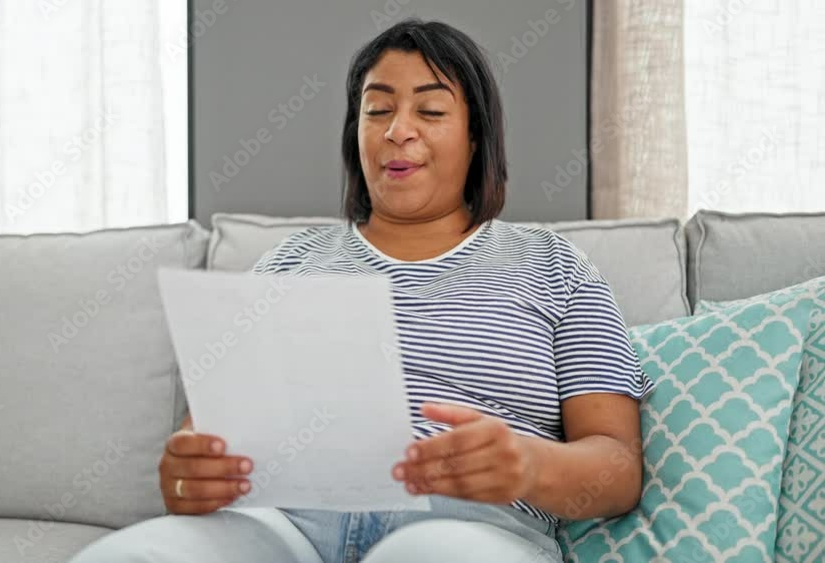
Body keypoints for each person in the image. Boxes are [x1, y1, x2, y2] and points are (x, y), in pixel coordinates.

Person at [72, 19, 653, 563]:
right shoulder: (288, 264)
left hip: (467, 525)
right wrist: (187, 476)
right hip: (280, 525)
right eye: (377, 111)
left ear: (476, 136)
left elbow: (618, 468)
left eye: (430, 110)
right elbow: (205, 436)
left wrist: (528, 465)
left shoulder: (555, 267)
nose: (398, 131)